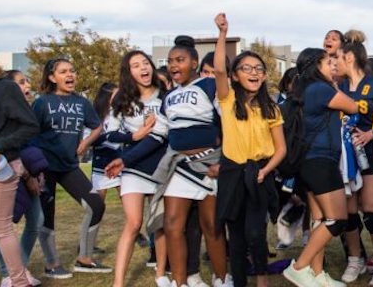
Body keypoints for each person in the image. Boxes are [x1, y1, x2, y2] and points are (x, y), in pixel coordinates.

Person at [211, 14, 287, 287]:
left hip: (259, 174)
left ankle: (262, 281)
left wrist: (266, 170)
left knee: (256, 233)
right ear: (235, 75)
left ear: (265, 75)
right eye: (246, 68)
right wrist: (222, 33)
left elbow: (281, 149)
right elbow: (219, 69)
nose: (254, 72)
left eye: (259, 69)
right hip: (232, 174)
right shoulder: (227, 99)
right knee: (237, 235)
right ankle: (240, 281)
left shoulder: (272, 108)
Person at [154, 36, 230, 287]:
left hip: (209, 164)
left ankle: (221, 279)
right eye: (171, 61)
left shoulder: (208, 86)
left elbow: (227, 123)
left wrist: (224, 160)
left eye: (180, 60)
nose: (174, 65)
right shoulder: (167, 97)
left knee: (212, 226)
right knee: (173, 225)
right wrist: (125, 159)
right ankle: (181, 282)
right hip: (180, 165)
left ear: (194, 62)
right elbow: (159, 135)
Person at [281, 47, 359, 287]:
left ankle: (317, 276)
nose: (332, 65)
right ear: (315, 66)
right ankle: (299, 267)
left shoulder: (305, 90)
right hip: (321, 161)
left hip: (309, 162)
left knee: (320, 219)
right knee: (336, 220)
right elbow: (353, 107)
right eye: (328, 62)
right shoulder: (321, 89)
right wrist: (336, 84)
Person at [30, 58, 111, 274]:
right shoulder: (42, 102)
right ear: (51, 77)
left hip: (69, 166)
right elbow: (29, 133)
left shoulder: (82, 103)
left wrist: (84, 143)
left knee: (96, 204)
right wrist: (31, 168)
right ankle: (52, 264)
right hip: (45, 167)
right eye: (63, 71)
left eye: (72, 71)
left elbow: (97, 126)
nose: (70, 75)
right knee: (47, 214)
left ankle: (84, 259)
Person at [102, 50, 170, 287]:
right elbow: (109, 133)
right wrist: (135, 134)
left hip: (160, 168)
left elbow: (160, 138)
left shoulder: (165, 97)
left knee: (159, 224)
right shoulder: (121, 99)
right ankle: (118, 283)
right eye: (135, 65)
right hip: (132, 167)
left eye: (145, 63)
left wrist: (126, 157)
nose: (143, 68)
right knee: (133, 223)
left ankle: (161, 274)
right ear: (128, 72)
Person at [0, 38, 41, 287]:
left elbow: (30, 125)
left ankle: (19, 281)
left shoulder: (5, 88)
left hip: (1, 168)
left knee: (1, 228)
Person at [336, 29, 373, 285]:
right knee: (347, 210)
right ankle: (355, 259)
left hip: (371, 153)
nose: (334, 62)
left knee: (370, 208)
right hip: (346, 156)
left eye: (337, 57)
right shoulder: (339, 86)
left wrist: (371, 133)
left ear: (349, 58)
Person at [0, 70, 45, 287]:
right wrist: (26, 174)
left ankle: (18, 269)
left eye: (28, 81)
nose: (28, 86)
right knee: (4, 224)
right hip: (8, 172)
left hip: (27, 173)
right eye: (22, 82)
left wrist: (36, 173)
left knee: (36, 220)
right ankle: (9, 273)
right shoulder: (4, 113)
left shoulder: (28, 111)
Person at [90, 83, 121, 195]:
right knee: (97, 206)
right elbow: (89, 139)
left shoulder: (120, 112)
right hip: (100, 162)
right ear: (107, 97)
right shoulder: (94, 115)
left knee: (129, 204)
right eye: (116, 95)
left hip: (118, 160)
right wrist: (106, 136)